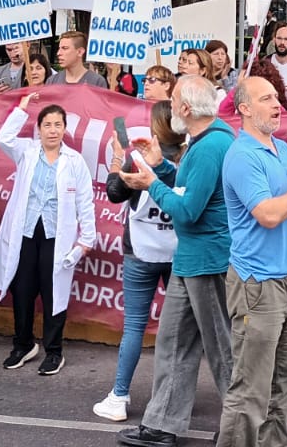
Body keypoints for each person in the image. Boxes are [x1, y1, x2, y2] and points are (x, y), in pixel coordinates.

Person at [116, 77, 235, 447]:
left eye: (173, 100)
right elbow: (188, 188)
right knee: (173, 342)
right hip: (190, 259)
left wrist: (151, 182)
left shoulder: (210, 144)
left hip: (207, 259)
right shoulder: (207, 139)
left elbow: (186, 210)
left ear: (185, 109)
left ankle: (244, 428)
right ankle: (162, 423)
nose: (169, 106)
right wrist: (162, 168)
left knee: (222, 349)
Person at [216, 76, 287, 447]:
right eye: (266, 99)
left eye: (277, 97)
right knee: (250, 391)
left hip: (286, 281)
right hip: (256, 286)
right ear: (244, 109)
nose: (277, 104)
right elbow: (269, 215)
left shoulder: (277, 147)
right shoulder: (242, 156)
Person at [0, 92, 99, 373]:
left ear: (65, 129)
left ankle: (54, 350)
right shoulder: (26, 152)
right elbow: (3, 138)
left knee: (54, 292)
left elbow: (84, 201)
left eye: (57, 125)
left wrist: (87, 238)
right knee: (23, 290)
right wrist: (22, 109)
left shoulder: (74, 161)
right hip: (26, 232)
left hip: (56, 235)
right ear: (38, 129)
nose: (52, 130)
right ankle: (23, 344)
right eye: (47, 125)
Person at [95, 100, 184, 422]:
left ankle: (119, 395)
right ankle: (171, 398)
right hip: (178, 252)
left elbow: (115, 193)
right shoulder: (190, 158)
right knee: (177, 331)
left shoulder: (139, 157)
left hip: (141, 252)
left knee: (134, 326)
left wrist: (119, 157)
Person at [267, 24, 287, 89]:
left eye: (286, 39)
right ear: (274, 40)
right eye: (279, 38)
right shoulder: (265, 63)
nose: (282, 43)